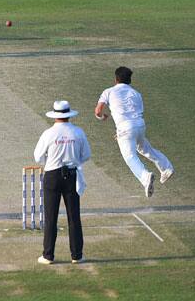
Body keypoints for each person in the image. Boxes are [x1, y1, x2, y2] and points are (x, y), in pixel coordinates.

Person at [95, 66, 174, 198]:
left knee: (129, 156)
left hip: (125, 128)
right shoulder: (136, 93)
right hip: (139, 125)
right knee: (145, 148)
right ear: (129, 80)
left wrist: (102, 118)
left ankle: (145, 177)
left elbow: (98, 111)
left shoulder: (108, 92)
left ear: (115, 79)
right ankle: (166, 168)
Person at [34, 100, 91, 265]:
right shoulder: (78, 132)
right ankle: (77, 255)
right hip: (72, 175)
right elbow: (86, 155)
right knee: (74, 217)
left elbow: (37, 156)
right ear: (68, 115)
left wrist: (49, 158)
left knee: (50, 217)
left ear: (55, 116)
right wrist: (74, 160)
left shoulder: (49, 133)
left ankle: (48, 255)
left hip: (52, 175)